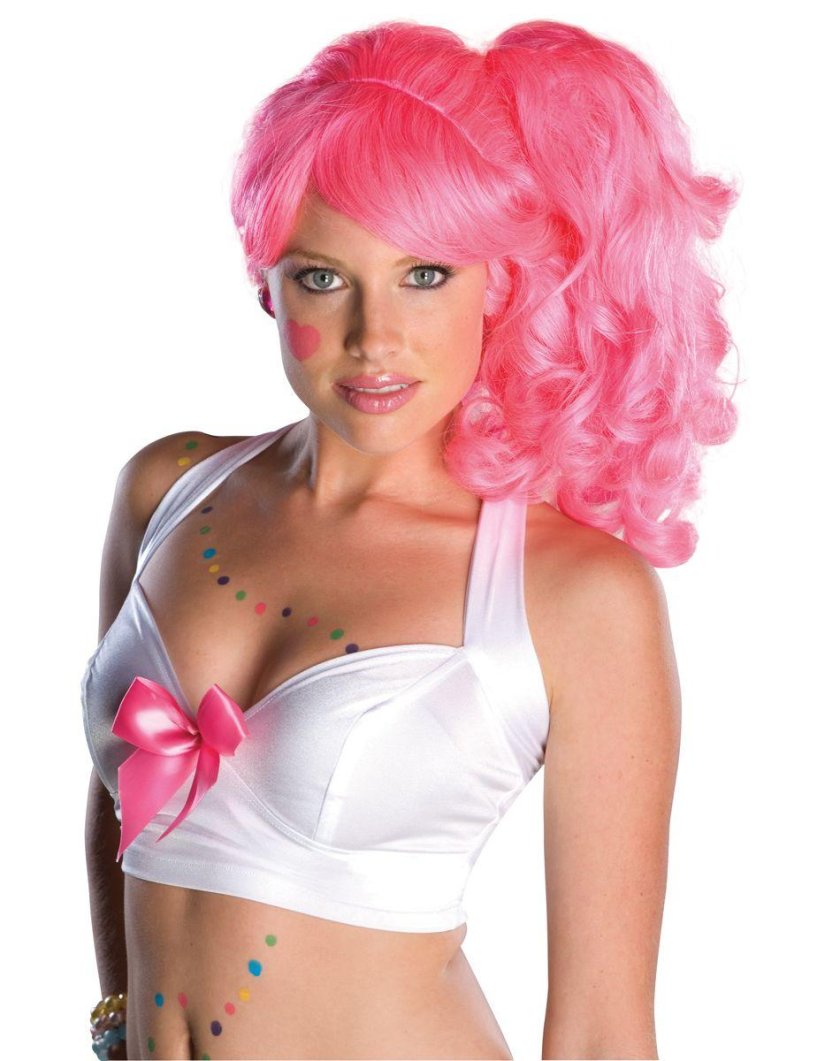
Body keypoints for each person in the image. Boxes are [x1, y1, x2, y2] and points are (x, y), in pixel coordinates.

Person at [83, 17, 739, 1061]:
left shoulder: (569, 593)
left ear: (500, 285)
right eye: (322, 276)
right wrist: (115, 1020)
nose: (373, 337)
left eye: (425, 274)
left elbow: (604, 1031)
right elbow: (117, 807)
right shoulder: (166, 490)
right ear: (266, 281)